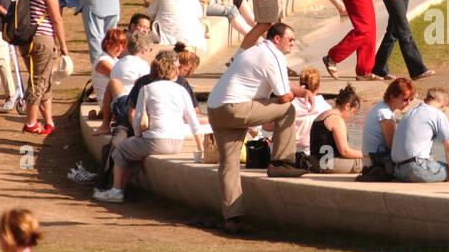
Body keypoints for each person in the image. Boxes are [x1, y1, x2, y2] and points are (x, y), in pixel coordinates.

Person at [205, 23, 309, 230]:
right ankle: (280, 163)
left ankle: (232, 219)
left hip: (215, 109)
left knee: (229, 164)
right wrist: (302, 94)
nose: (293, 43)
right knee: (288, 109)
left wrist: (300, 91)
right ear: (277, 39)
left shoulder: (254, 50)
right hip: (235, 108)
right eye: (290, 39)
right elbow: (283, 96)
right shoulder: (274, 55)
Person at [93, 51, 205, 203]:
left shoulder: (147, 88)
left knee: (120, 150)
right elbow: (193, 121)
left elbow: (138, 118)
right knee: (135, 157)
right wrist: (200, 148)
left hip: (155, 141)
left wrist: (139, 136)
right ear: (173, 71)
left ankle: (116, 191)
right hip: (177, 143)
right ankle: (123, 189)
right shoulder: (182, 89)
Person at [21, 0, 70, 137]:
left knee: (44, 79)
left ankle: (48, 121)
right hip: (43, 39)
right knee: (39, 81)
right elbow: (57, 19)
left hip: (26, 39)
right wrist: (63, 45)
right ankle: (31, 122)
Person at [391, 87, 449, 182]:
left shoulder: (410, 112)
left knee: (434, 167)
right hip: (415, 169)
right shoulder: (437, 114)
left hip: (398, 170)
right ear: (443, 105)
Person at [362, 77, 415, 171]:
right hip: (375, 163)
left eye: (411, 99)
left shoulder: (381, 107)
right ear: (392, 96)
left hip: (372, 159)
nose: (408, 103)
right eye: (405, 99)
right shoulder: (385, 115)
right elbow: (393, 147)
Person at [309, 86, 364, 174]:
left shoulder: (322, 115)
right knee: (368, 163)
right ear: (347, 106)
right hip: (327, 164)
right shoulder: (337, 120)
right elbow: (345, 151)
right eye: (352, 112)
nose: (352, 115)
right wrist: (365, 154)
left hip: (314, 161)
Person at [88, 28, 126, 116]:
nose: (120, 48)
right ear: (108, 44)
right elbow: (121, 78)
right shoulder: (102, 62)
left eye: (122, 45)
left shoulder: (115, 60)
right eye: (117, 45)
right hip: (110, 104)